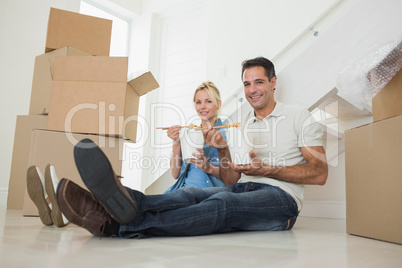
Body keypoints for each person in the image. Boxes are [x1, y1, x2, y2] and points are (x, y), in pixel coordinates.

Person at [56, 56, 328, 238]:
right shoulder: (238, 123)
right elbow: (231, 178)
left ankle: (115, 224)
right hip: (244, 187)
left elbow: (319, 173)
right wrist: (222, 150)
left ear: (273, 83)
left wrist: (267, 170)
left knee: (223, 200)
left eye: (259, 82)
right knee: (189, 195)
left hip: (282, 202)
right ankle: (112, 202)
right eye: (247, 83)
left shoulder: (298, 115)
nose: (252, 89)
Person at [165, 81, 226, 193]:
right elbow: (175, 174)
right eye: (198, 102)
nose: (202, 106)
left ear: (218, 104)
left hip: (210, 193)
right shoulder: (188, 133)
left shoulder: (227, 135)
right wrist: (176, 142)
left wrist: (208, 167)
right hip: (183, 190)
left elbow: (233, 178)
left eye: (208, 101)